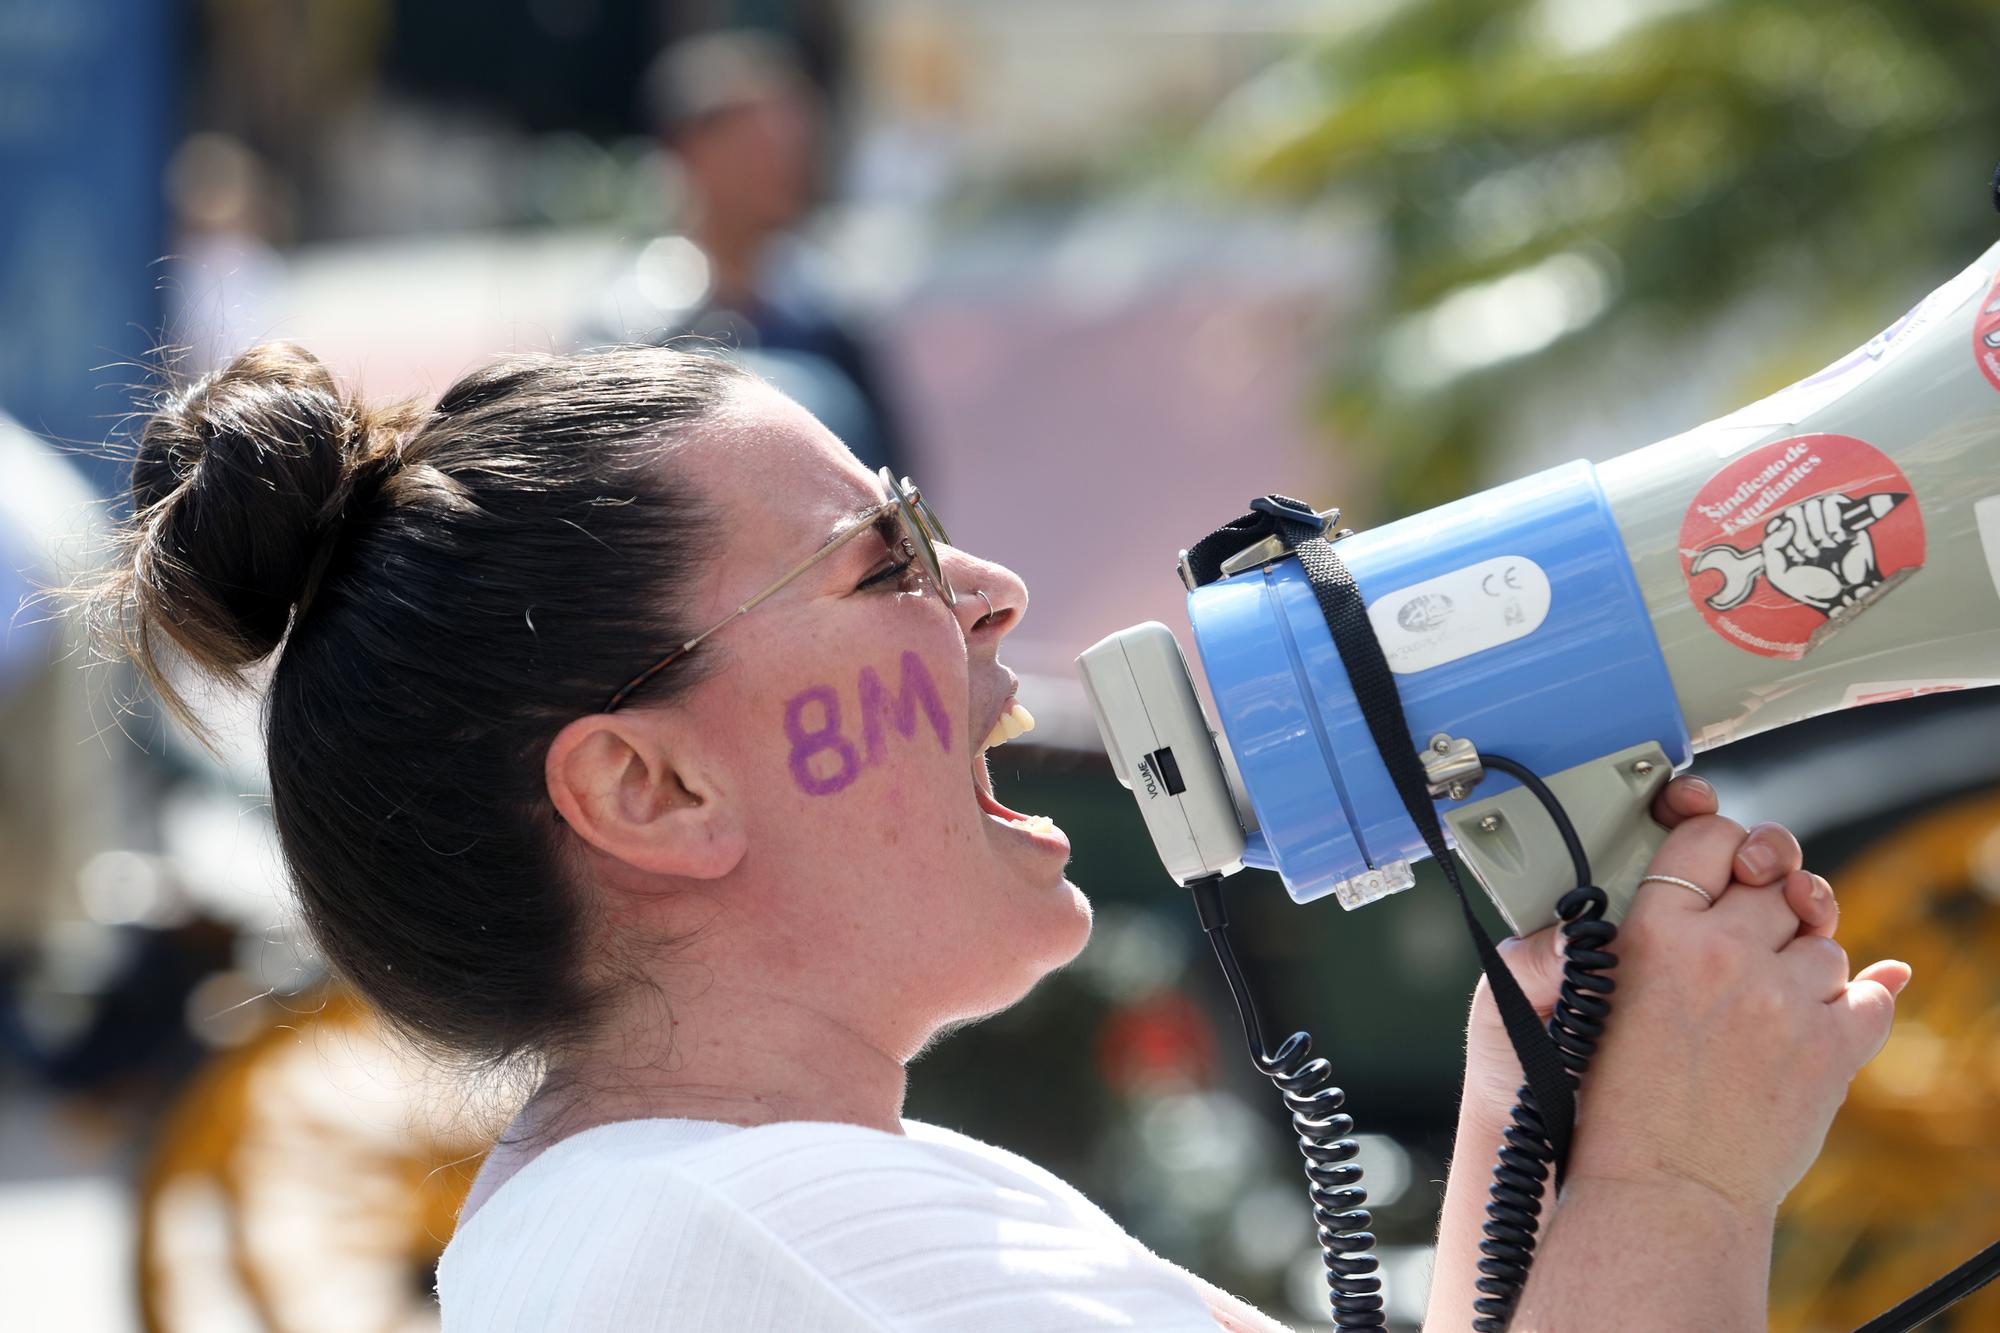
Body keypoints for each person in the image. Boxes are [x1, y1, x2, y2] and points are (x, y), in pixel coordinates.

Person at [87, 340, 1909, 1331]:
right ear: (649, 789)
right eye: (884, 554)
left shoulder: (692, 1224)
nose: (990, 588)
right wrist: (1677, 1184)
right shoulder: (787, 1241)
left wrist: (1552, 1102)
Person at [584, 30, 910, 480]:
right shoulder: (631, 327)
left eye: (795, 146)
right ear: (689, 151)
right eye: (758, 147)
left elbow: (891, 476)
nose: (785, 166)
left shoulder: (829, 315)